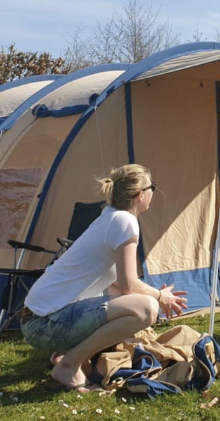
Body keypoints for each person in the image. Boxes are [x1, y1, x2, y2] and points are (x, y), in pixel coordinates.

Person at [20, 164, 187, 390]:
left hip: (36, 320)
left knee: (122, 297)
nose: (152, 192)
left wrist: (157, 295)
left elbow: (118, 284)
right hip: (44, 325)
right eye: (152, 187)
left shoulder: (109, 217)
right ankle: (69, 365)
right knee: (147, 308)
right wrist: (160, 296)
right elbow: (129, 285)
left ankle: (65, 352)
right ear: (140, 195)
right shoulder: (125, 222)